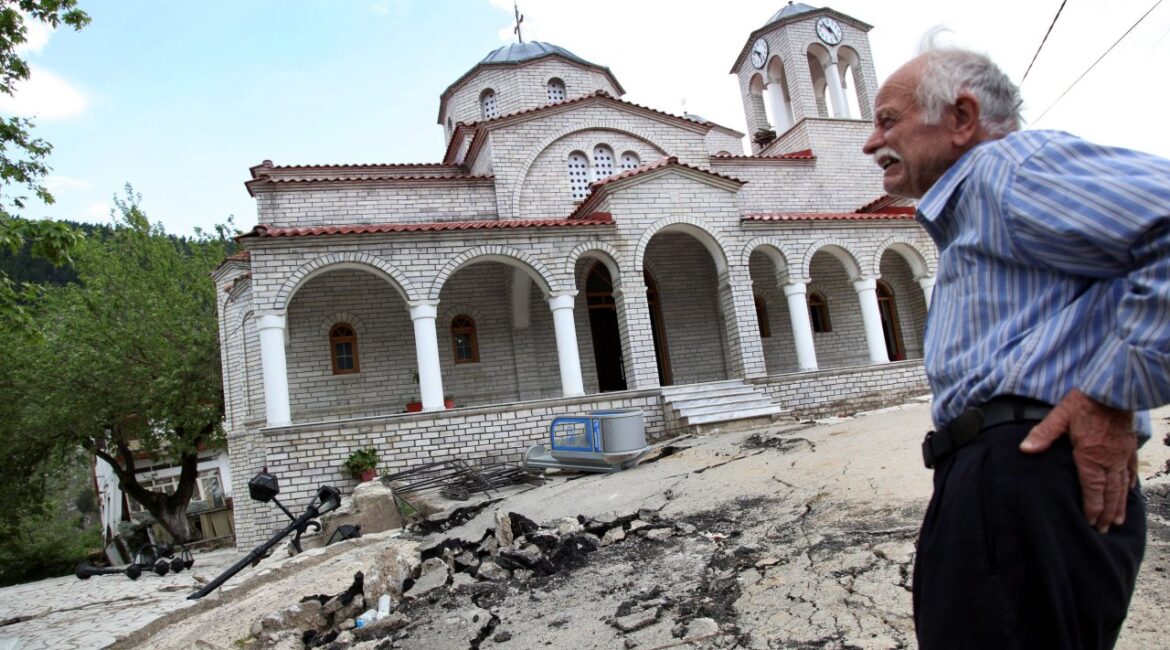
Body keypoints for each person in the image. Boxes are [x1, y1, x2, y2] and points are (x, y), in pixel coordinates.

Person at [862, 41, 1170, 649]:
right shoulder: (978, 206)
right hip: (1002, 480)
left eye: (888, 120)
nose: (871, 143)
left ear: (961, 117)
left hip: (1023, 477)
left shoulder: (1006, 170)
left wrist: (1112, 395)